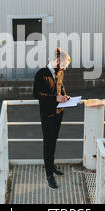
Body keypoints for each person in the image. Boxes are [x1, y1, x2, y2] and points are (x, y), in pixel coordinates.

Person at [33, 49, 71, 190]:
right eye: (64, 65)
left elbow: (61, 88)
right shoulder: (41, 74)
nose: (65, 68)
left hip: (58, 113)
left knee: (53, 141)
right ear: (57, 61)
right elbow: (36, 94)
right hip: (47, 115)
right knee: (48, 144)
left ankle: (52, 166)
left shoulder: (60, 73)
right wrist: (55, 98)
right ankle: (49, 174)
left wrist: (66, 97)